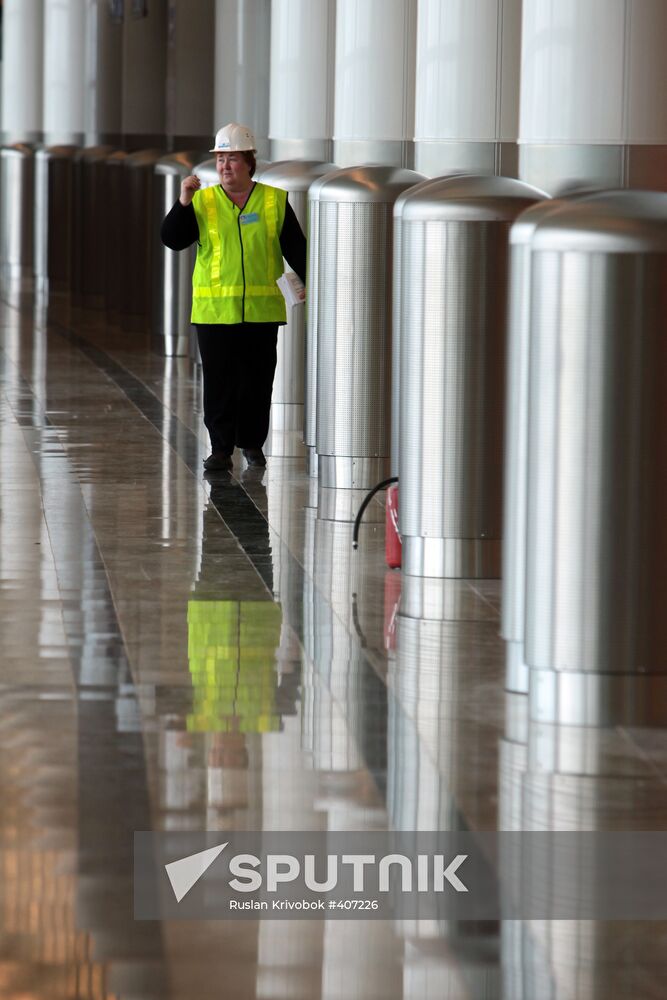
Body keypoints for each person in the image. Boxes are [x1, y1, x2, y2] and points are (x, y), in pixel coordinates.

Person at [161, 122, 306, 471]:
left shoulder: (274, 201)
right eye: (221, 159)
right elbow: (172, 238)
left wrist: (307, 285)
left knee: (257, 381)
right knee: (220, 382)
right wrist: (182, 202)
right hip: (214, 312)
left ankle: (253, 444)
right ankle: (221, 449)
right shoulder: (203, 202)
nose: (225, 166)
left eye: (233, 159)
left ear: (249, 162)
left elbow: (299, 251)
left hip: (261, 310)